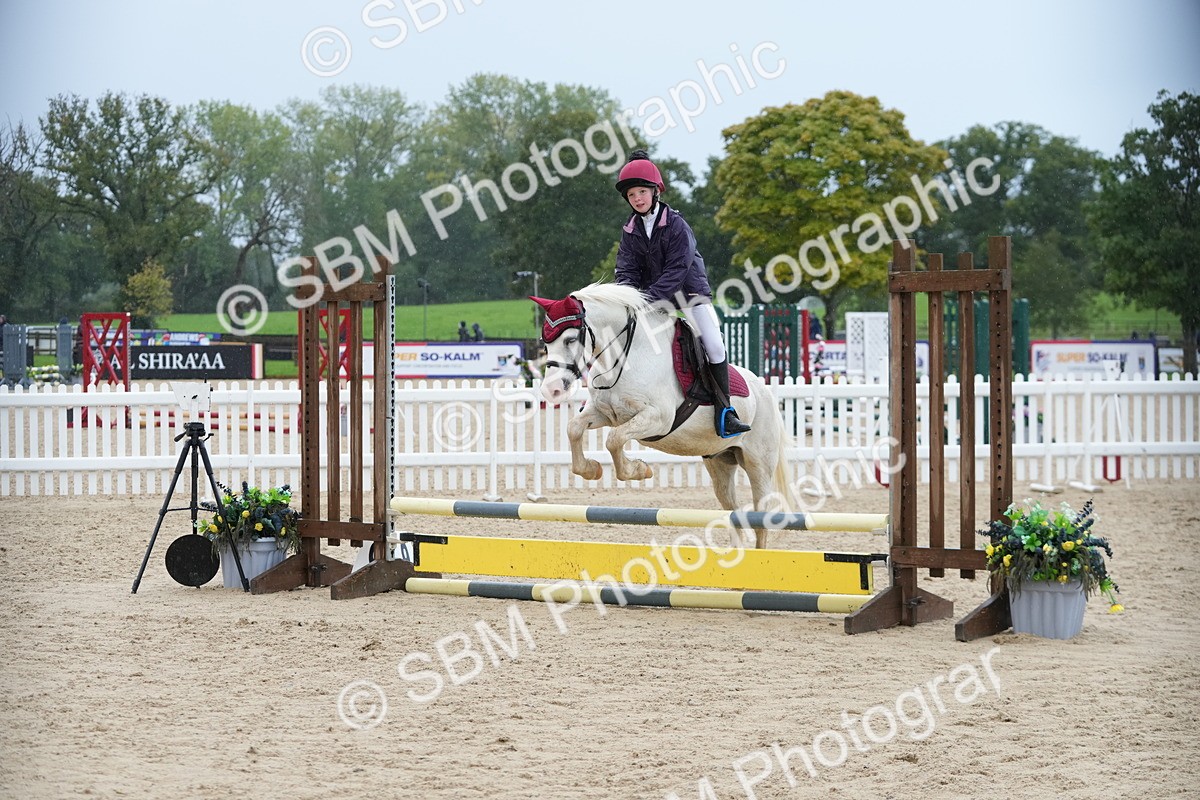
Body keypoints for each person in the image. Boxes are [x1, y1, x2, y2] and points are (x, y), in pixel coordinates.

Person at [613, 149, 750, 437]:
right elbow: (626, 269)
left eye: (642, 192)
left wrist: (647, 299)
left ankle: (725, 411)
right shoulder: (630, 230)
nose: (637, 198)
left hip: (688, 295)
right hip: (653, 299)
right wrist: (628, 297)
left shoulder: (676, 224)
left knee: (714, 345)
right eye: (631, 195)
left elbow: (677, 270)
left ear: (655, 191)